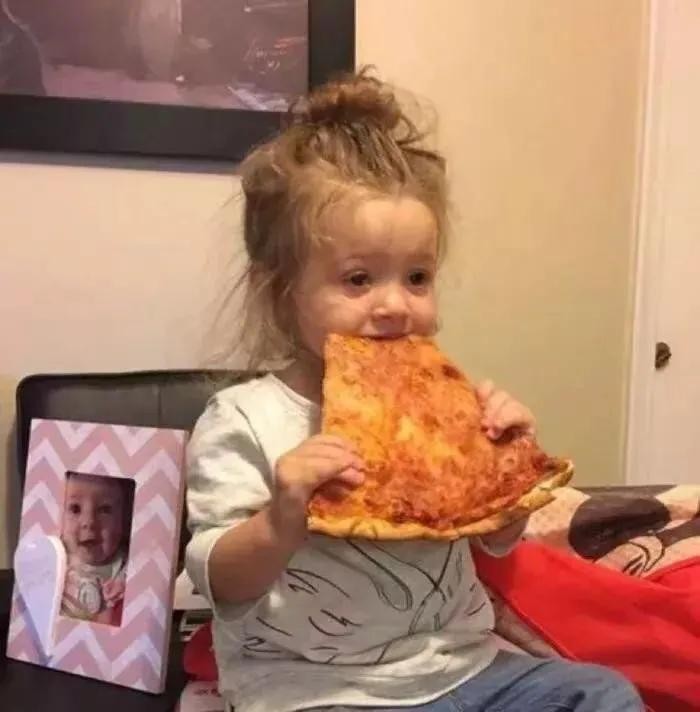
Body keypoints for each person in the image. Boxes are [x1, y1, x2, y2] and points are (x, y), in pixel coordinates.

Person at [185, 70, 643, 712]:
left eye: (418, 277)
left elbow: (494, 540)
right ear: (282, 292)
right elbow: (220, 582)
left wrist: (506, 471)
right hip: (313, 689)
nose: (396, 305)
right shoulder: (245, 419)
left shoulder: (443, 410)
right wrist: (280, 519)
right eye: (358, 279)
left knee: (602, 694)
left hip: (460, 668)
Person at [60, 472, 130, 626]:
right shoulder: (58, 559)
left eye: (104, 510)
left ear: (123, 522)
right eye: (75, 509)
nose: (89, 522)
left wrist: (124, 586)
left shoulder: (127, 565)